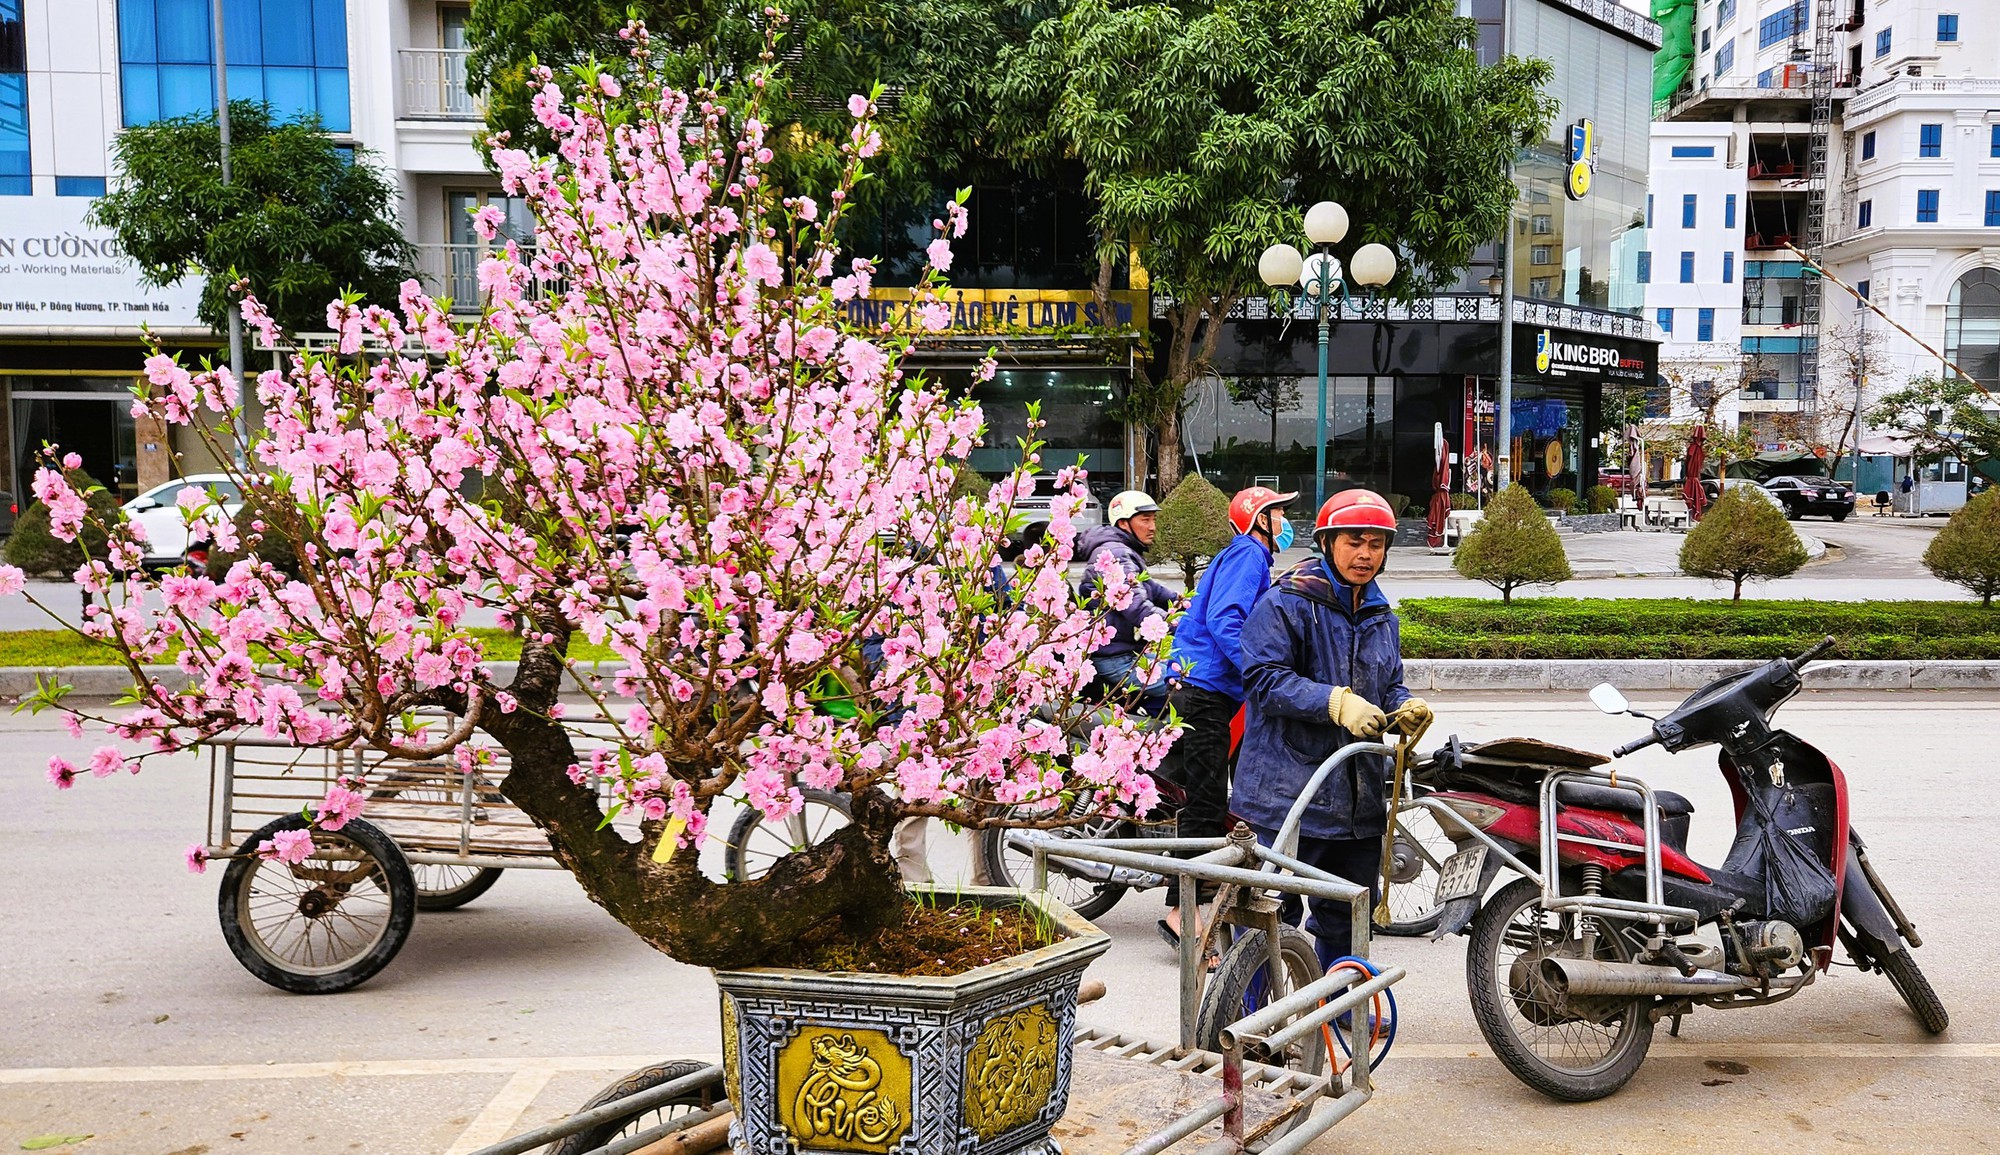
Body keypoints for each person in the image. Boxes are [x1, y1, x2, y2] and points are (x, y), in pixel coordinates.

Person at [1233, 489, 1432, 969]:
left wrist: (1405, 706)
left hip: (1358, 798)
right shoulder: (1287, 602)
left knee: (1347, 914)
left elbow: (1389, 683)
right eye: (1354, 542)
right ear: (1326, 543)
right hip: (1287, 796)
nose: (1365, 554)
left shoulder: (1381, 615)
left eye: (1376, 544)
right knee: (1270, 917)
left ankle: (1342, 1009)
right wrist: (1333, 703)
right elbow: (1262, 678)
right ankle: (1258, 1020)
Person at [1155, 485, 1297, 948]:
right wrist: (1258, 670)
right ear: (1260, 519)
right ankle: (1183, 911)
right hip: (1207, 690)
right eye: (1279, 513)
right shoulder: (1249, 555)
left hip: (1206, 687)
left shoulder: (1246, 556)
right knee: (1205, 801)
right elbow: (1225, 620)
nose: (1285, 521)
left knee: (1209, 796)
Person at [1076, 491, 1174, 706]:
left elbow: (1154, 590)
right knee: (1190, 680)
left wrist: (1192, 605)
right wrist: (1181, 625)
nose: (1152, 527)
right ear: (1123, 523)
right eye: (1145, 519)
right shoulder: (1115, 553)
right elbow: (1137, 608)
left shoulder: (1124, 551)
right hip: (1115, 660)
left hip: (1123, 654)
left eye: (1154, 519)